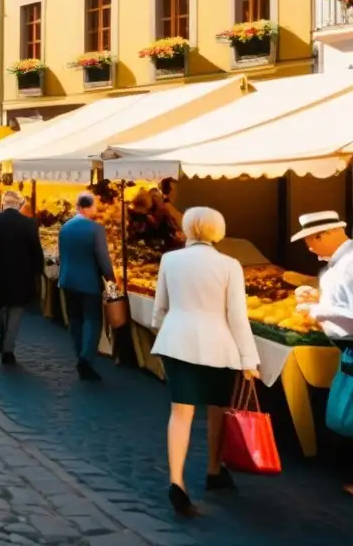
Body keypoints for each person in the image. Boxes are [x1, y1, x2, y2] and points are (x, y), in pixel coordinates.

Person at [150, 207, 260, 517]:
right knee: (218, 411)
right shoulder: (229, 265)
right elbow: (237, 316)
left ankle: (176, 481)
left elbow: (160, 308)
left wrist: (163, 329)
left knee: (180, 414)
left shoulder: (169, 260)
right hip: (218, 345)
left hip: (177, 341)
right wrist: (249, 358)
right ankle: (213, 469)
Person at [290, 210, 353, 497]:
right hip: (347, 348)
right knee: (342, 415)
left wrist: (316, 310)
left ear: (324, 234)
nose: (309, 248)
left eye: (310, 241)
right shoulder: (340, 264)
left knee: (346, 415)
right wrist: (317, 299)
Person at [0, 190, 45, 365]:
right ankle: (8, 349)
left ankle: (2, 334)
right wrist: (38, 271)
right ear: (18, 205)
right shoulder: (29, 224)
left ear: (3, 203)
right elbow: (36, 251)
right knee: (16, 310)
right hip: (22, 274)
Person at [57, 192, 115, 381]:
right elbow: (102, 257)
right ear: (88, 207)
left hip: (67, 280)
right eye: (95, 205)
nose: (96, 209)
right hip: (88, 281)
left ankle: (79, 352)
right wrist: (110, 277)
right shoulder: (95, 229)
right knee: (92, 319)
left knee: (75, 319)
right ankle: (85, 358)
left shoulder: (65, 227)